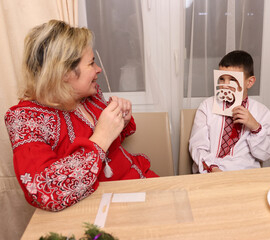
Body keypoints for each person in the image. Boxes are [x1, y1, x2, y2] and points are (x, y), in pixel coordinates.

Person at [4, 20, 158, 212]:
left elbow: (113, 144)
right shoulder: (25, 118)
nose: (98, 69)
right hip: (96, 210)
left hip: (137, 184)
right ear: (64, 73)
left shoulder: (89, 95)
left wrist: (121, 122)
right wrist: (101, 137)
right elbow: (45, 191)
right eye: (91, 63)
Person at [189, 50, 270, 173]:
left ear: (249, 82)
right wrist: (213, 168)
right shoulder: (207, 106)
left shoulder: (262, 113)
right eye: (222, 79)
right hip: (211, 172)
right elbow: (198, 146)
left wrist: (255, 127)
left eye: (232, 79)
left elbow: (265, 155)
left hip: (245, 174)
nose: (225, 85)